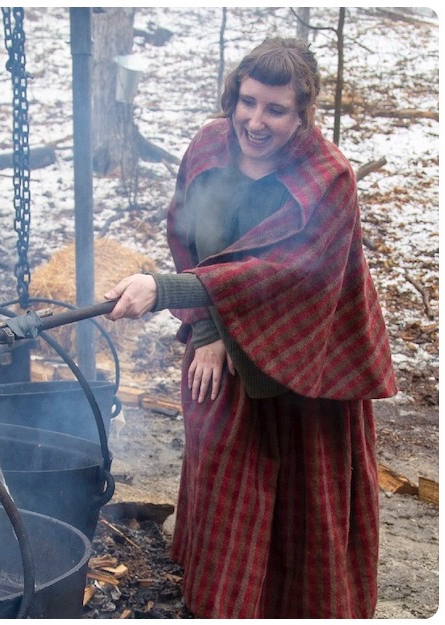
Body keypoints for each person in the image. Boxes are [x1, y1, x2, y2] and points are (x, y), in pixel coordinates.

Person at [103, 37, 397, 619]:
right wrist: (208, 332)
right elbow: (187, 238)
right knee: (226, 483)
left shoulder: (328, 179)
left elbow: (290, 278)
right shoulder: (211, 146)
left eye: (275, 110)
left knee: (298, 505)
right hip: (223, 343)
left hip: (305, 357)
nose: (254, 122)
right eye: (247, 102)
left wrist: (166, 290)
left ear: (303, 112)